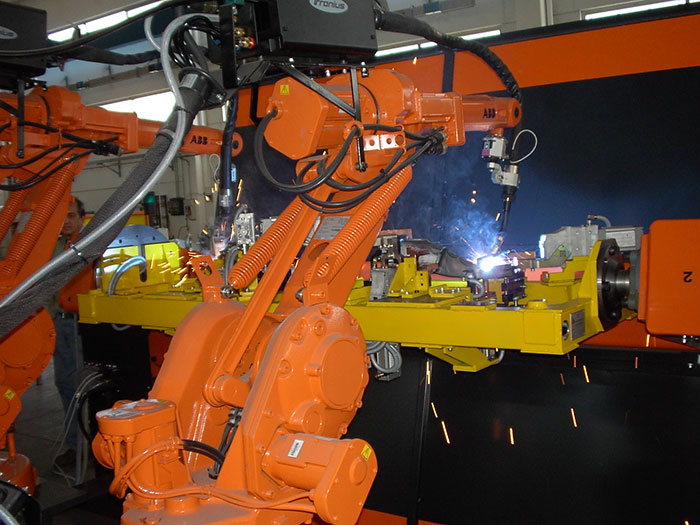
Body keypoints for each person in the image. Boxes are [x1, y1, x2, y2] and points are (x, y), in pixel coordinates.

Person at [48, 197, 86, 470]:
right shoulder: (53, 249)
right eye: (62, 216)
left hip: (81, 325)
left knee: (83, 386)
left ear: (82, 218)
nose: (66, 221)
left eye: (71, 215)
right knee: (64, 384)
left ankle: (90, 447)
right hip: (58, 324)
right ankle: (76, 446)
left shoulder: (89, 247)